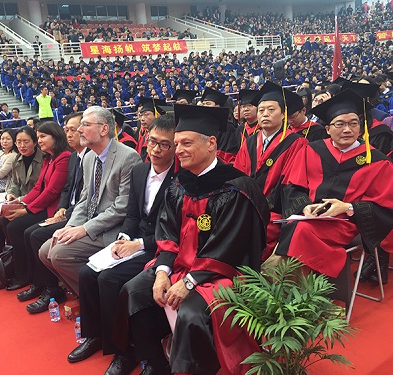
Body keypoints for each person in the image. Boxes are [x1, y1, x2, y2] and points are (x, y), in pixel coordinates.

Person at [107, 104, 270, 375]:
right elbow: (167, 234)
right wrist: (162, 272)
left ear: (211, 143)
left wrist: (188, 282)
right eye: (177, 143)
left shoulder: (236, 188)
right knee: (132, 292)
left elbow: (228, 247)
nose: (179, 150)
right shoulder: (179, 184)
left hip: (220, 272)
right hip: (179, 265)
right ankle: (156, 362)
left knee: (192, 313)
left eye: (186, 143)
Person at [67, 114, 177, 365]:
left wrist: (137, 244)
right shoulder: (140, 171)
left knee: (108, 278)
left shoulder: (179, 179)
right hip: (134, 240)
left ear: (175, 147)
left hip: (157, 247)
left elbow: (172, 231)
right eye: (152, 142)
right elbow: (132, 214)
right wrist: (124, 237)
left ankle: (124, 349)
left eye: (164, 145)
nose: (155, 150)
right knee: (86, 273)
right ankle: (95, 334)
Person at [276, 89, 393, 281]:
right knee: (298, 227)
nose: (347, 129)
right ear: (328, 129)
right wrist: (306, 206)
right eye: (340, 124)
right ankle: (313, 291)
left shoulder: (377, 161)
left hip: (347, 223)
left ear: (361, 127)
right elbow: (292, 187)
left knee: (298, 231)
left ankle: (300, 293)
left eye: (353, 123)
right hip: (309, 217)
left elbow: (386, 209)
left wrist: (348, 207)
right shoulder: (311, 151)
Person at [38, 106, 141, 298]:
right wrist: (70, 227)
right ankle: (89, 297)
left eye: (85, 125)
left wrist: (85, 229)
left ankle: (98, 299)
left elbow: (122, 207)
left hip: (112, 229)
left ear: (103, 129)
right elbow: (85, 198)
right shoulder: (89, 157)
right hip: (89, 223)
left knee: (59, 254)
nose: (78, 130)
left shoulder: (128, 157)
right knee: (45, 251)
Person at [16, 113, 90, 312]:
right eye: (67, 130)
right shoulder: (71, 157)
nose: (70, 134)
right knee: (20, 229)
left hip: (79, 215)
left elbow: (56, 192)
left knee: (34, 234)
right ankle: (36, 280)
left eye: (73, 130)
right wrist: (61, 208)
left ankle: (51, 288)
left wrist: (62, 212)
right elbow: (65, 190)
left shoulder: (72, 157)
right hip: (65, 210)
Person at [234, 82, 308, 260]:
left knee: (255, 231)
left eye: (271, 109)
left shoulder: (297, 143)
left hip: (275, 211)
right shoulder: (250, 142)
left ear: (283, 114)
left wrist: (262, 206)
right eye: (261, 110)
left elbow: (291, 183)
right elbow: (238, 176)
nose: (265, 114)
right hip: (248, 206)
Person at [0, 121, 71, 291]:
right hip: (42, 205)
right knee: (5, 221)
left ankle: (30, 277)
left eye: (43, 136)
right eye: (38, 137)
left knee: (18, 228)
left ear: (56, 136)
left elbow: (52, 191)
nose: (40, 141)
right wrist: (21, 202)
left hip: (52, 208)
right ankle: (21, 270)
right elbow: (39, 187)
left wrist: (27, 210)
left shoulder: (63, 157)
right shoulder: (48, 157)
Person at [0, 126, 43, 254]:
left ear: (34, 142)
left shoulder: (43, 160)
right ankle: (3, 256)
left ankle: (15, 255)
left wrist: (20, 199)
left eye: (26, 142)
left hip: (34, 201)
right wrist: (12, 194)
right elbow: (16, 183)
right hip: (20, 200)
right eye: (18, 142)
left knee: (5, 221)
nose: (22, 145)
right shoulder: (17, 160)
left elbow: (41, 189)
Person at [200, 87, 239, 164]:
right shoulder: (201, 126)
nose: (204, 106)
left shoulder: (227, 128)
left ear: (217, 107)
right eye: (203, 104)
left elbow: (227, 154)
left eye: (208, 104)